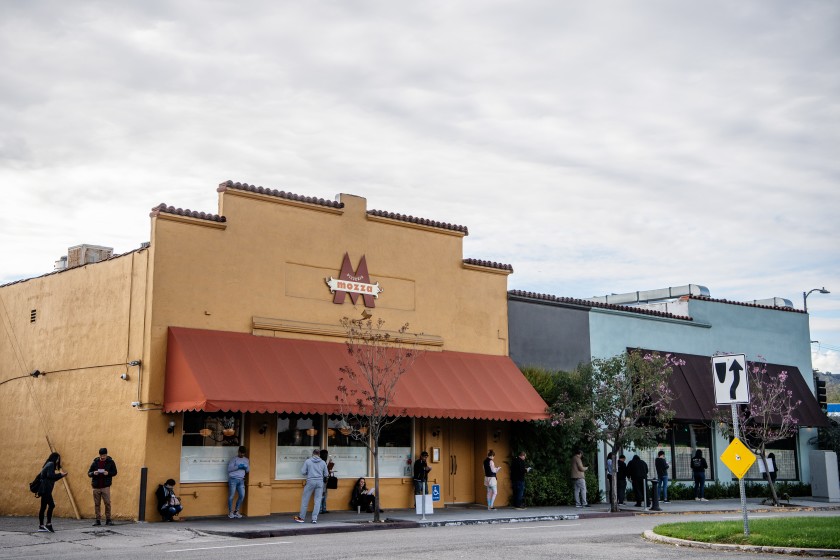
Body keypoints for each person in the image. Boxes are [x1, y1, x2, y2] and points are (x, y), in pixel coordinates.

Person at [294, 448, 328, 523]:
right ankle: (314, 519)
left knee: (305, 500)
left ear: (313, 454)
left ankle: (302, 518)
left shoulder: (308, 461)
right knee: (317, 501)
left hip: (310, 481)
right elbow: (326, 474)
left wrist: (309, 473)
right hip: (319, 482)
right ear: (319, 454)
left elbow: (303, 472)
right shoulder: (323, 462)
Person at [37, 452, 67, 532]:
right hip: (46, 489)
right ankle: (48, 524)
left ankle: (42, 526)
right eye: (57, 459)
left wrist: (61, 476)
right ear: (55, 458)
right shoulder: (50, 464)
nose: (58, 461)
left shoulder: (48, 464)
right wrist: (60, 474)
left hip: (45, 489)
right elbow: (50, 476)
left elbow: (51, 477)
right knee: (51, 505)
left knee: (43, 507)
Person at [88, 447, 118, 526]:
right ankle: (97, 520)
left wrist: (108, 473)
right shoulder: (95, 462)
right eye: (101, 455)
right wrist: (93, 473)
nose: (102, 457)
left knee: (107, 503)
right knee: (97, 504)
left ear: (106, 454)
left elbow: (115, 472)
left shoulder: (110, 462)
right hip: (96, 486)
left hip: (105, 486)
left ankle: (108, 520)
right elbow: (89, 473)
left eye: (104, 455)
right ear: (99, 455)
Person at [227, 445, 250, 519]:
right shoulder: (234, 459)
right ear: (238, 452)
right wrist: (238, 467)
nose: (242, 455)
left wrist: (246, 468)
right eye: (241, 453)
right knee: (231, 496)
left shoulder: (246, 460)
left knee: (242, 496)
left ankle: (236, 511)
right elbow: (229, 469)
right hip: (233, 479)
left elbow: (248, 471)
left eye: (243, 453)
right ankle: (230, 512)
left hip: (241, 480)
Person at [319, 449, 334, 514]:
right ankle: (321, 509)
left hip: (324, 480)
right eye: (326, 455)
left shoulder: (323, 462)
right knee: (322, 495)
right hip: (322, 480)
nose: (326, 456)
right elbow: (324, 471)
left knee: (324, 495)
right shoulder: (321, 462)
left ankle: (323, 508)